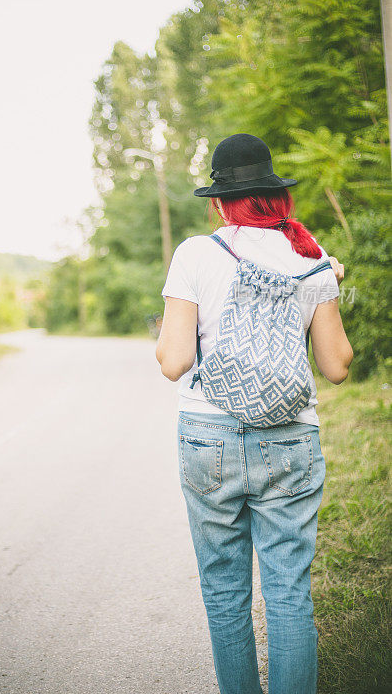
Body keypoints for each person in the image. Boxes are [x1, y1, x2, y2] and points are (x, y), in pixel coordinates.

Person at [155, 134, 353, 694]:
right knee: (289, 592)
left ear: (219, 202)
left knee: (224, 593)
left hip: (207, 438)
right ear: (275, 198)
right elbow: (336, 366)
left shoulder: (196, 253)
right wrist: (329, 289)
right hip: (290, 440)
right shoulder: (312, 262)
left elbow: (174, 362)